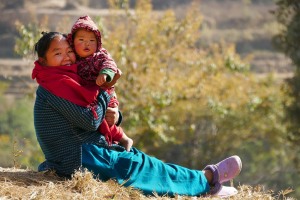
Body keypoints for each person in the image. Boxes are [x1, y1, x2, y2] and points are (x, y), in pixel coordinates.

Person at [32, 31, 242, 198]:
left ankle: (201, 184)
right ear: (43, 60)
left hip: (86, 150)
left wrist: (116, 117)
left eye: (69, 51)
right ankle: (206, 179)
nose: (67, 57)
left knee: (139, 159)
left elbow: (97, 114)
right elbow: (91, 119)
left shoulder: (71, 79)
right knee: (138, 167)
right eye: (57, 54)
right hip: (76, 157)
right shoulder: (54, 86)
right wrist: (106, 90)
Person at [66, 15, 133, 151]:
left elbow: (110, 64)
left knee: (106, 118)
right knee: (98, 120)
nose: (87, 43)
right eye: (81, 40)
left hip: (105, 95)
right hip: (89, 97)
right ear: (72, 42)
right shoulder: (72, 58)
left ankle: (124, 139)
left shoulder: (99, 56)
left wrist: (105, 74)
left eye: (92, 40)